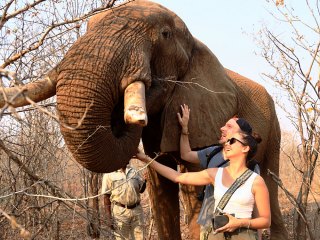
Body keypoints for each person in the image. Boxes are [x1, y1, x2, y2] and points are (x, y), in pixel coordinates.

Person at [136, 131, 271, 240]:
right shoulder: (214, 174)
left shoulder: (256, 181)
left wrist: (239, 223)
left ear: (245, 148)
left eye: (232, 141)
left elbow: (265, 220)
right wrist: (146, 159)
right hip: (216, 235)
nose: (227, 143)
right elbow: (177, 177)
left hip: (243, 235)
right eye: (227, 141)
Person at [177, 104, 261, 239]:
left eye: (229, 126)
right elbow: (186, 154)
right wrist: (185, 128)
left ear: (242, 135)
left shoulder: (251, 167)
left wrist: (258, 235)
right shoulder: (213, 152)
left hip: (238, 231)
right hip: (209, 225)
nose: (222, 128)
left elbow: (256, 207)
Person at [101, 162, 146, 240]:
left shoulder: (134, 171)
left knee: (140, 237)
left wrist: (145, 181)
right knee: (121, 237)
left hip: (137, 210)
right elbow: (106, 196)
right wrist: (108, 217)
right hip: (120, 211)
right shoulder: (109, 174)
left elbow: (141, 190)